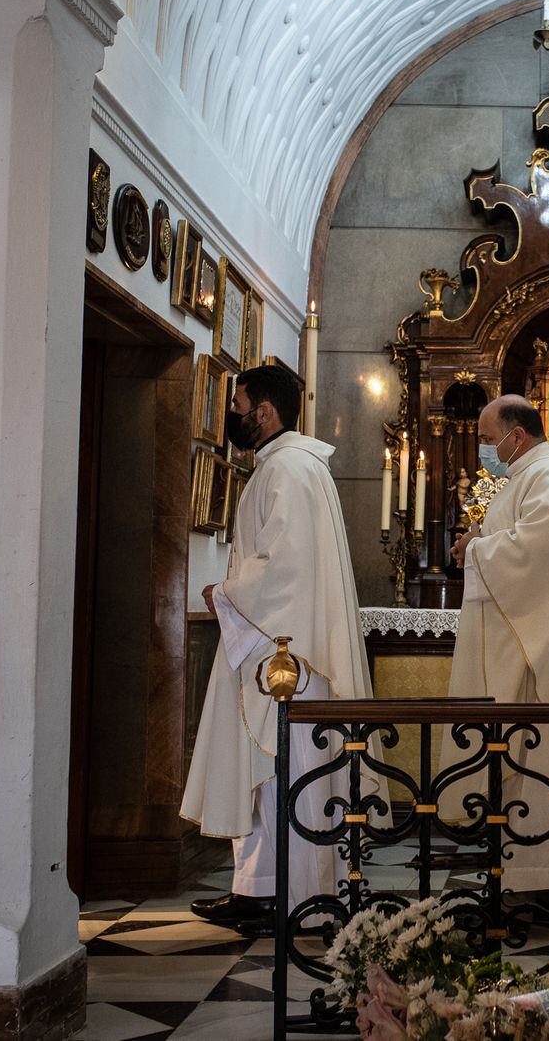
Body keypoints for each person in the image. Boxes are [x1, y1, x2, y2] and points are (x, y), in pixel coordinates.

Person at [180, 364, 383, 931]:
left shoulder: (289, 471)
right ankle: (263, 888)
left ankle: (287, 895)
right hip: (277, 647)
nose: (235, 418)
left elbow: (285, 569)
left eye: (240, 405)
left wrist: (224, 592)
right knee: (272, 774)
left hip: (283, 656)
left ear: (265, 412)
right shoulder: (291, 467)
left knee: (277, 772)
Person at [442, 395, 549, 905]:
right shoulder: (529, 478)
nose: (483, 448)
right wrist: (477, 539)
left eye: (486, 436)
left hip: (542, 664)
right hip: (524, 647)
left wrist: (477, 549)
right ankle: (523, 884)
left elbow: (537, 554)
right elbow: (514, 540)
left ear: (516, 435)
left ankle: (548, 892)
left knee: (542, 773)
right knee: (523, 776)